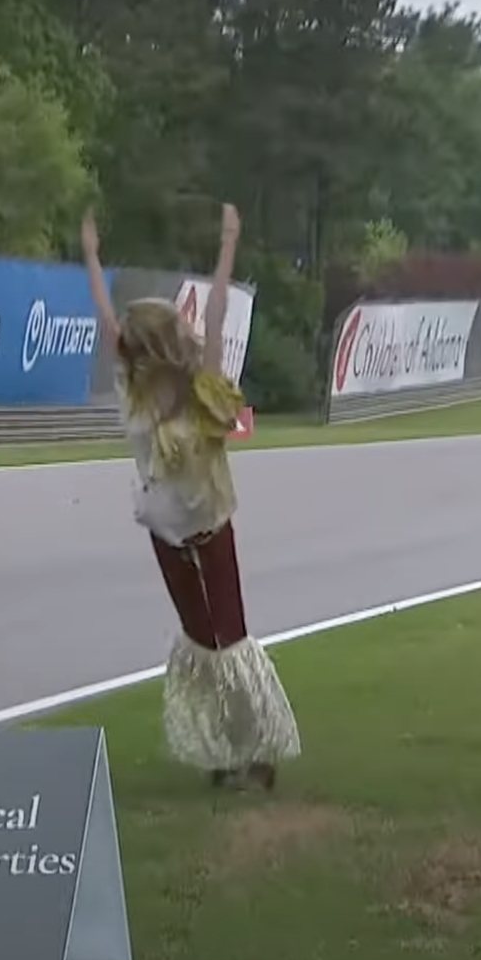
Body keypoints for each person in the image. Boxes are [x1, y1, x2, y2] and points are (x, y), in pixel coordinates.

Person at [80, 203, 301, 791]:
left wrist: (229, 244)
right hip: (166, 532)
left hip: (206, 525)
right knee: (202, 643)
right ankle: (223, 753)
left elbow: (219, 310)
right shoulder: (134, 387)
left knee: (231, 639)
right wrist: (90, 256)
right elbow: (107, 321)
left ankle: (256, 747)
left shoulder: (202, 388)